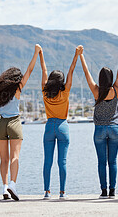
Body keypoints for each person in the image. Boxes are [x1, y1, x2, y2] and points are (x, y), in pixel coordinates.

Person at [0, 39, 41, 201]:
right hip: (14, 124)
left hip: (1, 125)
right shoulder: (18, 88)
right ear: (17, 79)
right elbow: (30, 70)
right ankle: (13, 184)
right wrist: (36, 53)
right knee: (14, 157)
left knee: (3, 159)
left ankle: (4, 187)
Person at [79, 40, 118, 199]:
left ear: (100, 79)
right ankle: (113, 191)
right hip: (114, 129)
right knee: (112, 162)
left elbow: (86, 73)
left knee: (102, 162)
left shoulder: (96, 91)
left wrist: (81, 56)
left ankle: (103, 191)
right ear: (111, 78)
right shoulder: (116, 89)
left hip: (99, 130)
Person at [39, 45, 82, 200]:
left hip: (49, 126)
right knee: (62, 162)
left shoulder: (45, 91)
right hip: (63, 126)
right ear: (62, 82)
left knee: (47, 161)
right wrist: (76, 54)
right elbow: (71, 70)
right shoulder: (65, 91)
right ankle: (62, 193)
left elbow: (43, 70)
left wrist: (41, 54)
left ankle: (46, 192)